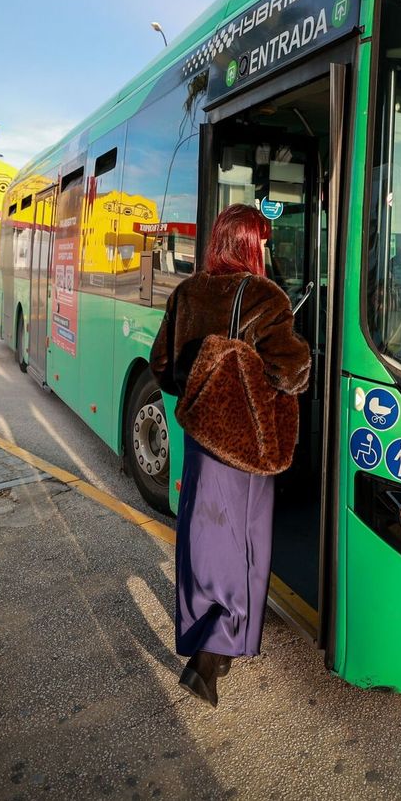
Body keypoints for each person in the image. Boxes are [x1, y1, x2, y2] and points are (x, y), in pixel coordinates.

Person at [149, 204, 310, 708]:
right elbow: (290, 373)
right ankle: (214, 655)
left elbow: (163, 367)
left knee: (203, 540)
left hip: (203, 439)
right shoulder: (265, 296)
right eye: (261, 239)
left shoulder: (186, 293)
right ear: (245, 244)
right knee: (243, 544)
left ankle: (204, 643)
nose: (267, 248)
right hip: (245, 444)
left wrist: (206, 389)